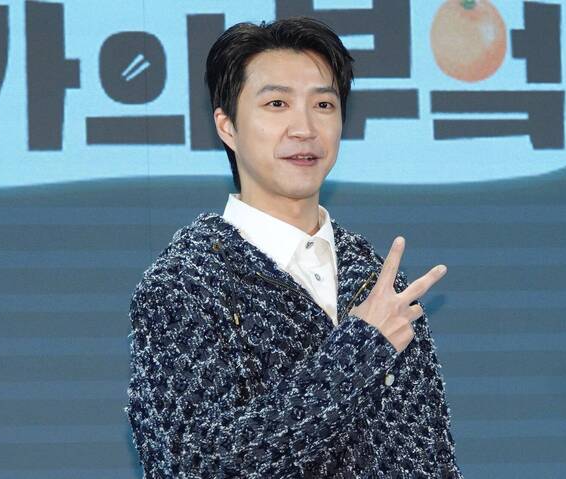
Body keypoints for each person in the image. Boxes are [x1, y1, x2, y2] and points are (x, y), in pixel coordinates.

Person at [125, 16, 464, 478]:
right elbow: (196, 466)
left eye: (323, 104)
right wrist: (360, 350)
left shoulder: (376, 279)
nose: (304, 127)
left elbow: (430, 460)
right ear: (227, 126)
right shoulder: (184, 285)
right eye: (277, 103)